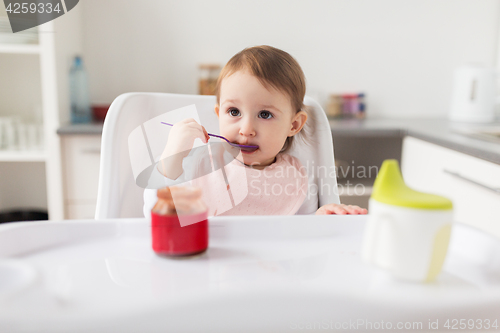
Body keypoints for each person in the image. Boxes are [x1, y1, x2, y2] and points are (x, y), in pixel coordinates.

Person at [144, 45, 367, 217]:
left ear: (294, 125)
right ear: (218, 114)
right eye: (233, 112)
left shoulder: (295, 177)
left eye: (265, 115)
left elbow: (303, 234)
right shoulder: (201, 164)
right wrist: (172, 157)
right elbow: (155, 214)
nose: (247, 129)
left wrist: (322, 216)